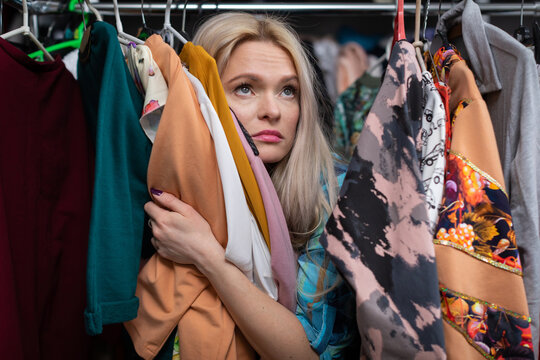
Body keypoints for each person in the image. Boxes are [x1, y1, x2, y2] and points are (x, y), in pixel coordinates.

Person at [145, 12, 357, 359]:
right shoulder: (180, 175)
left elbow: (302, 354)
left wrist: (207, 256)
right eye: (246, 88)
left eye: (288, 91)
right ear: (204, 96)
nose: (272, 110)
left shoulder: (337, 192)